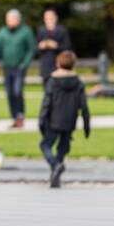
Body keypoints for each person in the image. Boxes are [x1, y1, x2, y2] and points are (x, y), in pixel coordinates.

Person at [38, 50, 90, 188]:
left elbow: (46, 103)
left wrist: (41, 121)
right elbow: (84, 106)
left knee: (45, 145)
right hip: (69, 121)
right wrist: (86, 126)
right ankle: (56, 174)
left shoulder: (52, 81)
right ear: (74, 65)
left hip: (53, 121)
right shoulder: (78, 83)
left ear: (58, 64)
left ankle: (55, 165)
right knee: (63, 148)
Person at [0, 9, 36, 129]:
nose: (8, 22)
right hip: (7, 67)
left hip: (19, 67)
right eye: (7, 19)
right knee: (9, 92)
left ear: (17, 20)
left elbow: (32, 49)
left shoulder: (26, 31)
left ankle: (20, 116)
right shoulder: (2, 32)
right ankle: (15, 117)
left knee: (17, 91)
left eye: (10, 19)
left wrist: (25, 64)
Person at [36, 9, 72, 85]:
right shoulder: (41, 31)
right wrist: (41, 46)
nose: (49, 20)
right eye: (47, 18)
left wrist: (56, 46)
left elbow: (67, 48)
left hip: (59, 65)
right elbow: (36, 49)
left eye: (51, 18)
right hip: (45, 66)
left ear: (56, 18)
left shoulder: (62, 31)